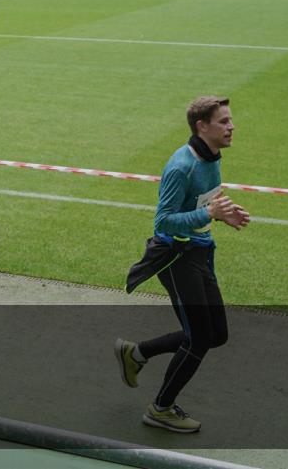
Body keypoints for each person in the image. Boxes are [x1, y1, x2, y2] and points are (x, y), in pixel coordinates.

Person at [116, 96, 250, 433]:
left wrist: (221, 215)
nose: (231, 126)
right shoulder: (182, 166)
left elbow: (204, 202)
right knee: (198, 338)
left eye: (230, 120)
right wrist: (208, 214)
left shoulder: (211, 157)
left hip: (201, 252)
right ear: (202, 127)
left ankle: (137, 353)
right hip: (176, 259)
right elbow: (163, 222)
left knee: (216, 334)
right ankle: (160, 408)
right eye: (223, 122)